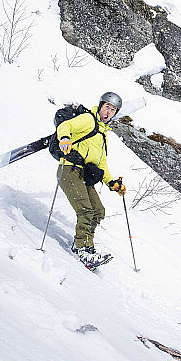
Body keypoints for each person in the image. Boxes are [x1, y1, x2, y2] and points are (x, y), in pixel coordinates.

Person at [56, 91, 127, 267]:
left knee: (98, 210)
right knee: (86, 210)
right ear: (101, 106)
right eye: (107, 107)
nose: (109, 112)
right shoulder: (88, 120)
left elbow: (101, 163)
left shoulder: (103, 134)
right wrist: (64, 139)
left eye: (113, 110)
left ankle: (86, 246)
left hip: (84, 175)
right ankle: (82, 249)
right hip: (69, 169)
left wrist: (112, 183)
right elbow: (65, 127)